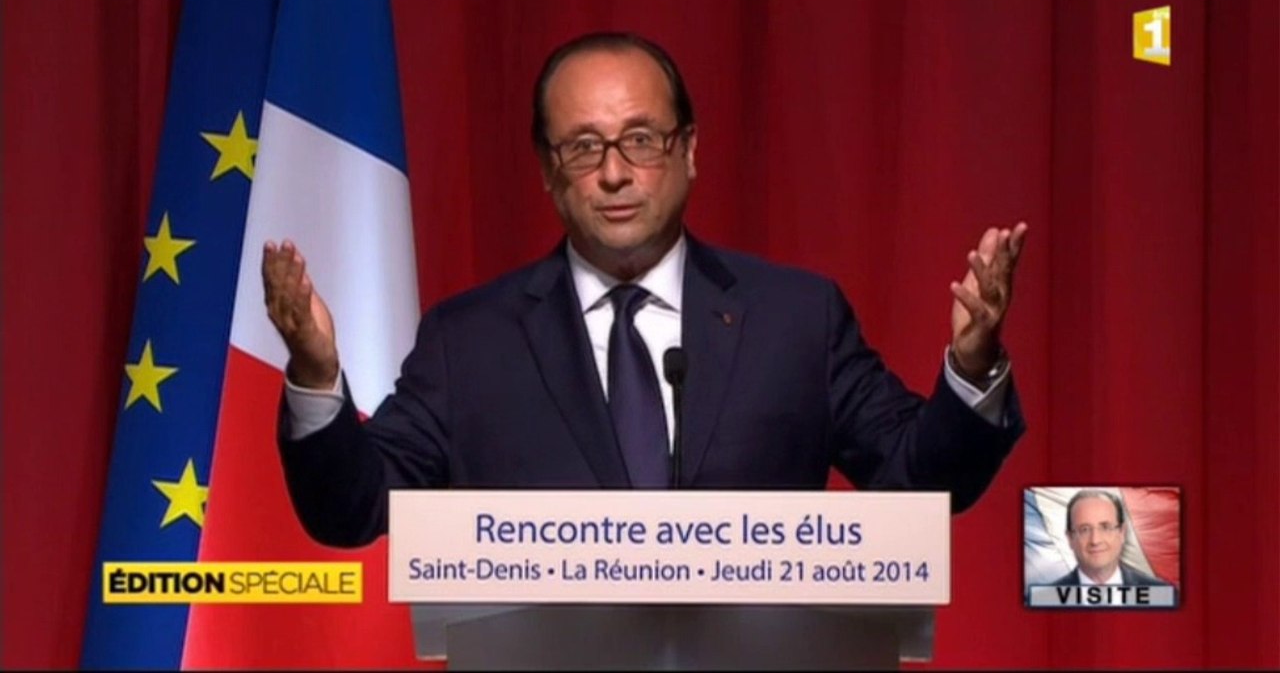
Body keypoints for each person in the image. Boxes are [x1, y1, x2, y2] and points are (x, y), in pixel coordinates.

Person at [263, 31, 1029, 548]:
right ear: (547, 169)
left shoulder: (796, 320)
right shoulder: (470, 341)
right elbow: (352, 508)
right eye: (584, 146)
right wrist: (315, 375)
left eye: (640, 139)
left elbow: (921, 484)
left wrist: (971, 368)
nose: (616, 172)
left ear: (688, 151)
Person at [1051, 489, 1170, 586]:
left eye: (1105, 527)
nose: (1095, 540)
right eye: (1084, 530)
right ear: (1070, 538)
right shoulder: (1043, 601)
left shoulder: (1162, 595)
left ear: (1122, 533)